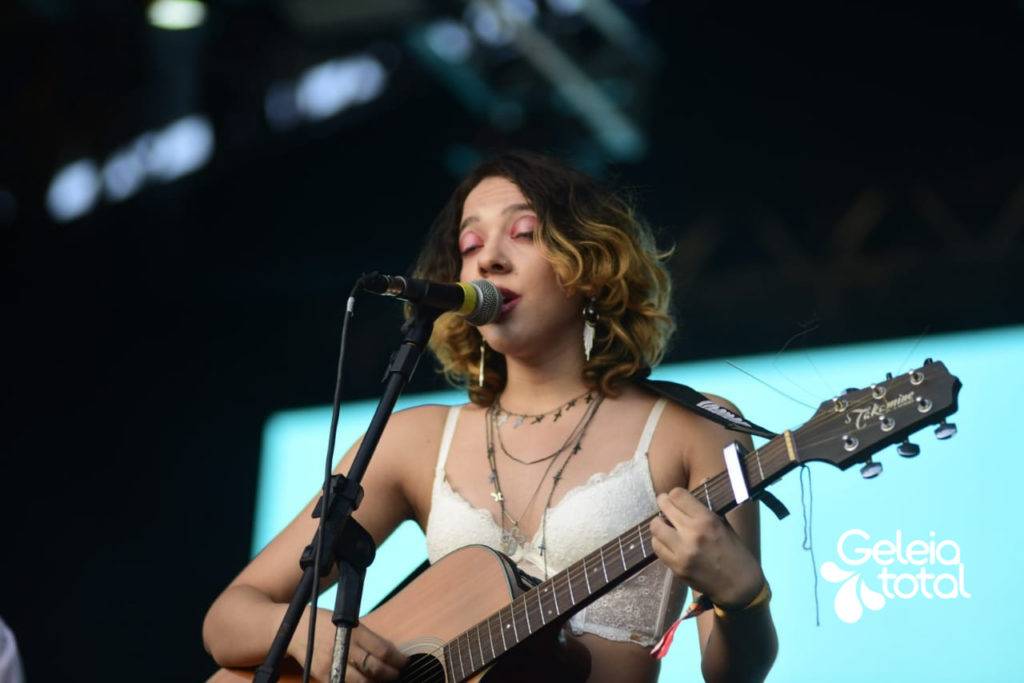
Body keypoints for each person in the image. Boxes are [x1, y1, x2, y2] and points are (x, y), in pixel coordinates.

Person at [203, 151, 778, 682]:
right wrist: (311, 635)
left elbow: (732, 676)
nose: (490, 258)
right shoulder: (417, 440)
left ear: (592, 263)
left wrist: (743, 600)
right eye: (471, 243)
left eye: (524, 233)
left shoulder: (694, 429)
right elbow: (229, 618)